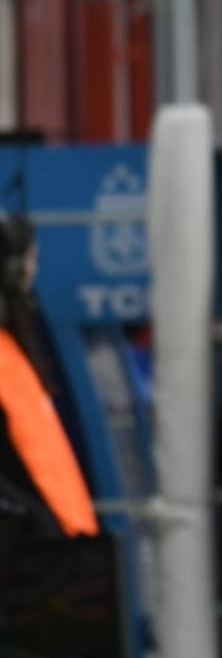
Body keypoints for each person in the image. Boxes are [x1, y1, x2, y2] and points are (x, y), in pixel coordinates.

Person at [0, 210, 99, 542]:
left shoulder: (12, 351)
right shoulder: (7, 357)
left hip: (47, 547)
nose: (33, 270)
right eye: (30, 260)